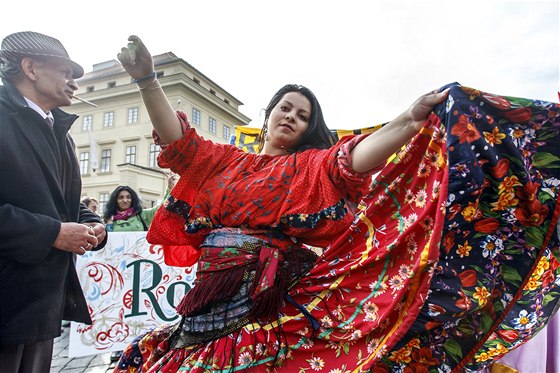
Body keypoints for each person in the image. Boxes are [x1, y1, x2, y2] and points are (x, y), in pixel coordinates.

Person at [113, 36, 560, 372]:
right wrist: (146, 79)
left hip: (274, 318)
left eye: (302, 115)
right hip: (202, 320)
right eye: (285, 108)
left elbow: (357, 157)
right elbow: (179, 141)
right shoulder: (223, 161)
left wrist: (409, 118)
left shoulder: (314, 166)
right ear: (268, 113)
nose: (291, 116)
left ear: (308, 128)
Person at [0, 31, 107, 373]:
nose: (74, 83)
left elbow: (61, 203)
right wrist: (54, 234)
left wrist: (91, 222)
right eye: (65, 72)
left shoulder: (60, 130)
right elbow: (53, 222)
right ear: (30, 67)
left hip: (41, 304)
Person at [103, 173, 178, 232]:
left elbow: (161, 208)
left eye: (128, 197)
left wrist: (169, 188)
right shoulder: (108, 219)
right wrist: (108, 225)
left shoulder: (141, 215)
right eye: (121, 197)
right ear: (115, 200)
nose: (125, 200)